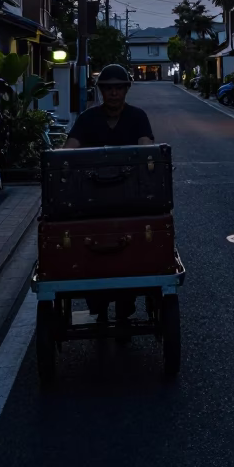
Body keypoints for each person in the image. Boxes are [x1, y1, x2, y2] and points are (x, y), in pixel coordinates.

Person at [64, 63, 154, 329]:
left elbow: (146, 147)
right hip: (93, 198)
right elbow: (70, 148)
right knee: (87, 244)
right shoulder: (87, 119)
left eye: (118, 88)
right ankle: (98, 303)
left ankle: (125, 305)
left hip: (129, 197)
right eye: (108, 88)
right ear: (101, 91)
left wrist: (147, 156)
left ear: (126, 89)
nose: (113, 93)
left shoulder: (138, 117)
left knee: (135, 244)